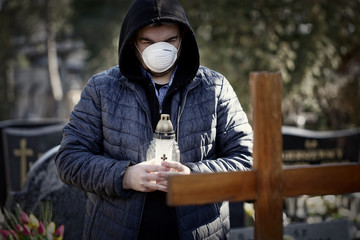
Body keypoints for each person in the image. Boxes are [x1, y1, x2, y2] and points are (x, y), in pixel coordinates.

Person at [55, 0, 253, 239]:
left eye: (170, 41)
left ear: (183, 39)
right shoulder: (102, 89)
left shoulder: (215, 88)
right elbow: (69, 159)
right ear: (132, 42)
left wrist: (193, 177)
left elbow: (247, 161)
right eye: (147, 42)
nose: (160, 50)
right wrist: (124, 176)